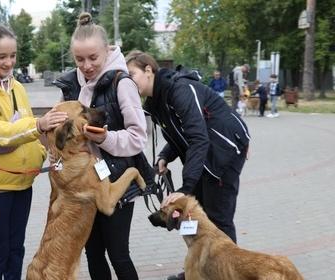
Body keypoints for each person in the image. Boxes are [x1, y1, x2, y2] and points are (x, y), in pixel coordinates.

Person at [125, 51, 250, 280]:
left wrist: (186, 187)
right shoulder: (156, 101)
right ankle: (197, 269)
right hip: (202, 156)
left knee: (218, 219)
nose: (128, 80)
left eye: (131, 74)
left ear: (149, 70)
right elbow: (178, 134)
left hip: (223, 154)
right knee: (194, 219)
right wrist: (164, 156)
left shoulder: (179, 90)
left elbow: (197, 137)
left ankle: (229, 273)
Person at [0, 24, 67, 280]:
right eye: (2, 56)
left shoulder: (15, 86)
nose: (9, 62)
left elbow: (25, 124)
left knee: (16, 250)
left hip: (22, 181)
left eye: (13, 56)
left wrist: (40, 153)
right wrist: (40, 124)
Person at [53, 13, 148, 280]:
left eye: (93, 58)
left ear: (107, 51)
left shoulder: (122, 83)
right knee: (93, 254)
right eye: (79, 59)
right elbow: (58, 130)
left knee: (118, 255)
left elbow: (138, 137)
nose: (86, 65)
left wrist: (105, 139)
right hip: (82, 187)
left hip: (116, 179)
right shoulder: (68, 84)